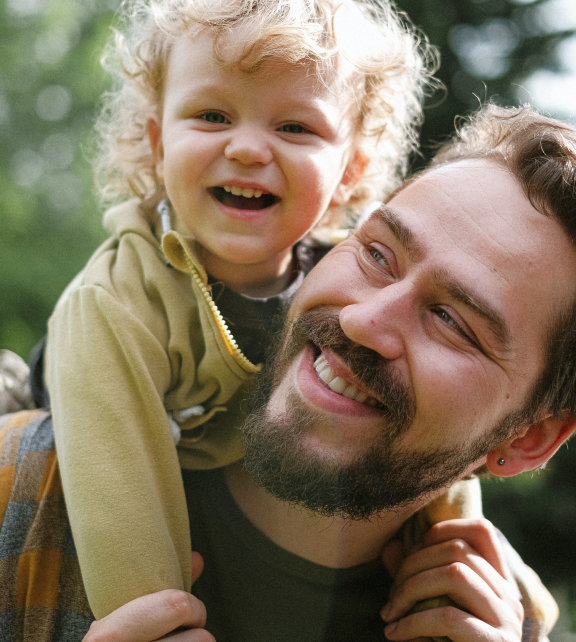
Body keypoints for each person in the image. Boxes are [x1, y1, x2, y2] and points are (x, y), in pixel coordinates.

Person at [0, 103, 573, 641]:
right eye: (377, 254)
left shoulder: (499, 626)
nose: (362, 321)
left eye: (452, 320)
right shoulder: (16, 493)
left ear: (528, 439)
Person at [30, 0, 437, 621]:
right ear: (159, 143)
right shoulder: (114, 302)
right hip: (78, 421)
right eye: (213, 115)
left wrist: (463, 556)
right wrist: (153, 618)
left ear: (351, 168)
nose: (247, 148)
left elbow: (445, 438)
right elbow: (116, 497)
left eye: (295, 127)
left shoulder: (351, 291)